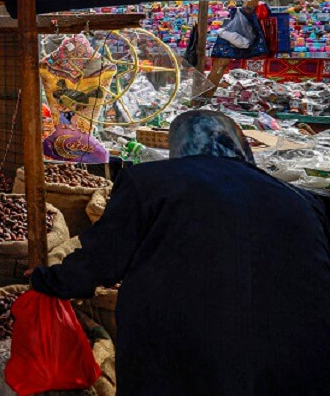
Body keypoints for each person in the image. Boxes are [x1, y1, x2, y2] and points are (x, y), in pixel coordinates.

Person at [30, 110, 330, 396]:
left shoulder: (150, 181)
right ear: (241, 144)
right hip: (298, 364)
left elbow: (100, 261)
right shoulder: (303, 200)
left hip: (183, 362)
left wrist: (50, 280)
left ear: (178, 146)